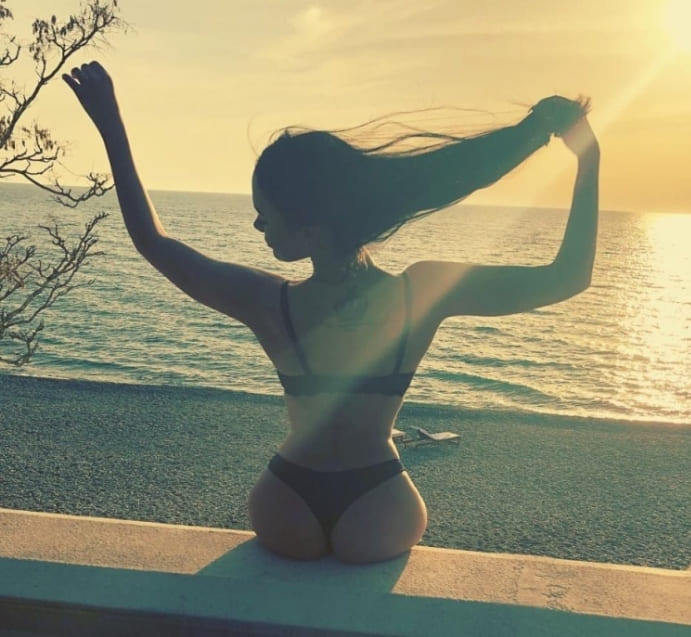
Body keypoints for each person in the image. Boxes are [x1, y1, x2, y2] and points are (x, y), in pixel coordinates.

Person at [63, 61, 599, 564]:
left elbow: (154, 243)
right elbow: (568, 277)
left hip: (287, 495)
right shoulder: (422, 292)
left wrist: (112, 127)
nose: (258, 227)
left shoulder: (269, 301)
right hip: (379, 498)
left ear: (310, 227)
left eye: (265, 215)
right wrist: (588, 160)